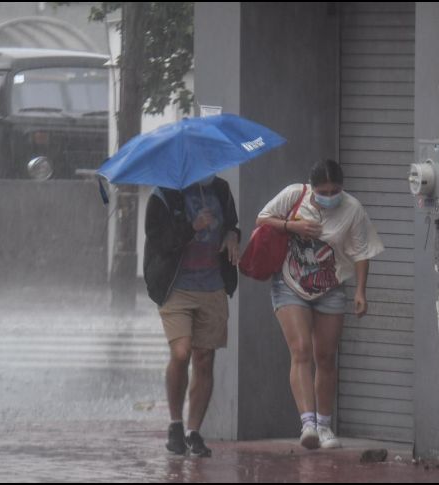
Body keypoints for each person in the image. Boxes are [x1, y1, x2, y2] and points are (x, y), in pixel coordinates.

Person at [256, 159, 384, 450]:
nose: (329, 195)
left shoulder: (352, 209)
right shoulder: (293, 195)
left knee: (325, 356)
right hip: (289, 283)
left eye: (335, 189)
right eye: (323, 190)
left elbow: (361, 252)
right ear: (311, 188)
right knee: (300, 349)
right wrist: (292, 226)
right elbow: (262, 219)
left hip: (330, 287)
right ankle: (308, 423)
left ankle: (325, 425)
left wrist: (361, 291)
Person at [144, 175, 240, 457]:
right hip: (177, 286)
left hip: (212, 285)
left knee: (204, 357)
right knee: (182, 351)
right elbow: (158, 240)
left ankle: (193, 431)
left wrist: (232, 235)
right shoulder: (164, 192)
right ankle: (175, 422)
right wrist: (192, 227)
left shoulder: (221, 189)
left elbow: (231, 226)